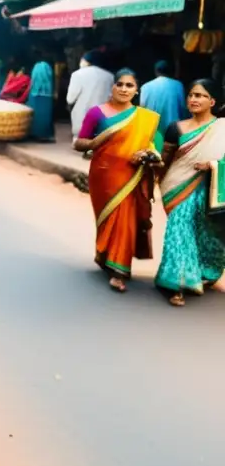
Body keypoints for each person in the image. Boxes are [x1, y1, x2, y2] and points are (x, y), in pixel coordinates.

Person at [73, 69, 161, 293]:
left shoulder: (145, 117)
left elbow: (152, 145)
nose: (124, 89)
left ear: (136, 89)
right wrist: (98, 141)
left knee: (126, 221)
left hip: (132, 175)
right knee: (107, 219)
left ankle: (119, 270)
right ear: (112, 87)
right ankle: (105, 254)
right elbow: (79, 143)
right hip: (103, 176)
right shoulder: (96, 113)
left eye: (129, 85)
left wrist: (148, 155)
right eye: (119, 84)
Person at [155, 80, 225, 306]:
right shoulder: (176, 128)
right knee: (180, 230)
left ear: (212, 102)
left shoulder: (221, 128)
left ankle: (204, 273)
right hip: (177, 186)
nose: (194, 99)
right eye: (192, 95)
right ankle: (176, 283)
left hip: (210, 189)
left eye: (201, 96)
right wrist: (153, 173)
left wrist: (213, 164)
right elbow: (164, 161)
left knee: (207, 234)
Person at [66, 52, 114, 140]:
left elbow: (70, 99)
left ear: (87, 61)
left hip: (81, 117)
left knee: (80, 138)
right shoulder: (109, 76)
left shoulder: (77, 74)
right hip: (102, 116)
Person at [140, 60, 188, 138]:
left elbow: (142, 109)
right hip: (173, 131)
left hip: (152, 130)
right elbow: (183, 108)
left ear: (156, 71)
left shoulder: (145, 87)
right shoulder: (178, 85)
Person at [28, 53, 56, 142]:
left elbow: (33, 80)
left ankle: (35, 134)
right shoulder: (47, 67)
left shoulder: (37, 66)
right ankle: (45, 135)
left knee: (35, 115)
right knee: (45, 116)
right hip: (46, 94)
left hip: (35, 93)